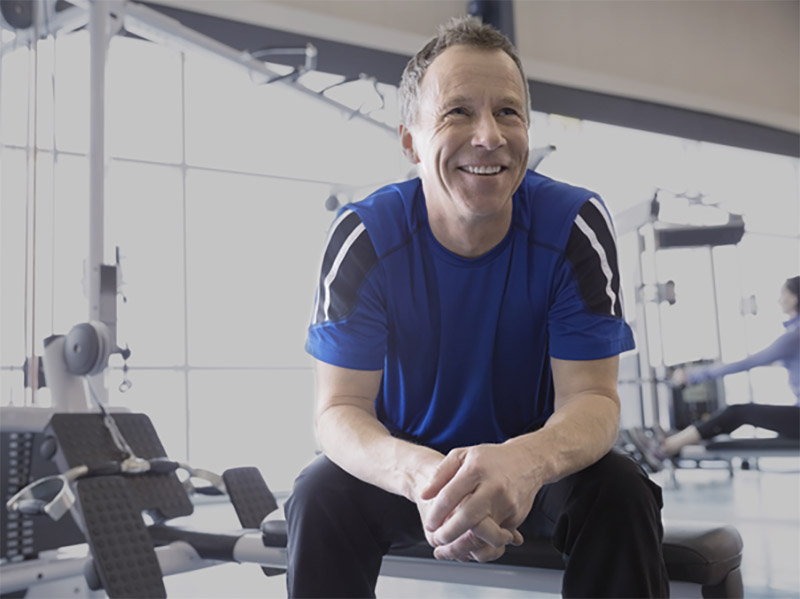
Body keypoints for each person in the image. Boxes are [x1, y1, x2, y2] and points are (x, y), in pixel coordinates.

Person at [285, 16, 669, 599]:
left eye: (508, 112)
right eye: (458, 111)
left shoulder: (574, 227)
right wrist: (424, 478)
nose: (488, 136)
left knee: (620, 489)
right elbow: (339, 410)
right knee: (318, 496)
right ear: (410, 141)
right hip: (408, 465)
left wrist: (524, 465)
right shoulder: (363, 237)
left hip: (537, 462)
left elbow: (593, 399)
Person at [633, 276, 800, 465]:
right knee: (737, 413)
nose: (779, 300)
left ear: (794, 298)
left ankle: (663, 448)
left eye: (783, 294)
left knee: (738, 412)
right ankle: (674, 440)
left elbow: (746, 363)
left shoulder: (794, 336)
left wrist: (693, 376)